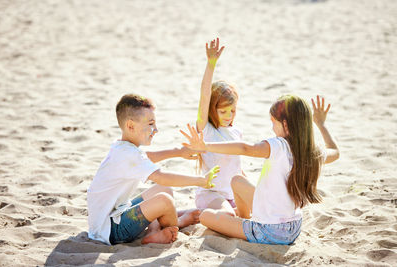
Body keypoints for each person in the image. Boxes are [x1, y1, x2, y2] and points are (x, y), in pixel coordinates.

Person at [181, 95, 340, 245]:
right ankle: (246, 219)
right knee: (237, 180)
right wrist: (321, 124)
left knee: (206, 216)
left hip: (269, 230)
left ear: (285, 124)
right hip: (294, 227)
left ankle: (246, 225)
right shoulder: (312, 151)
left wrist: (205, 146)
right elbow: (335, 151)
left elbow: (245, 148)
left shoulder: (279, 146)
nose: (272, 128)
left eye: (274, 122)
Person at [87, 94, 219, 245]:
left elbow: (147, 157)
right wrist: (201, 181)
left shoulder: (122, 147)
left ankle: (153, 231)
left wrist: (179, 152)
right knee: (165, 200)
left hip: (116, 214)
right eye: (150, 124)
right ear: (131, 126)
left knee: (164, 189)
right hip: (110, 230)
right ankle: (178, 222)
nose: (155, 129)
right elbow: (162, 176)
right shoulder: (128, 154)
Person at [194, 37, 242, 215]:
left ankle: (189, 215)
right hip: (210, 194)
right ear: (212, 110)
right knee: (229, 215)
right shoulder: (206, 129)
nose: (229, 116)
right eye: (223, 112)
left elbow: (237, 168)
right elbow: (204, 95)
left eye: (233, 111)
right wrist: (211, 64)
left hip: (230, 195)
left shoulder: (237, 132)